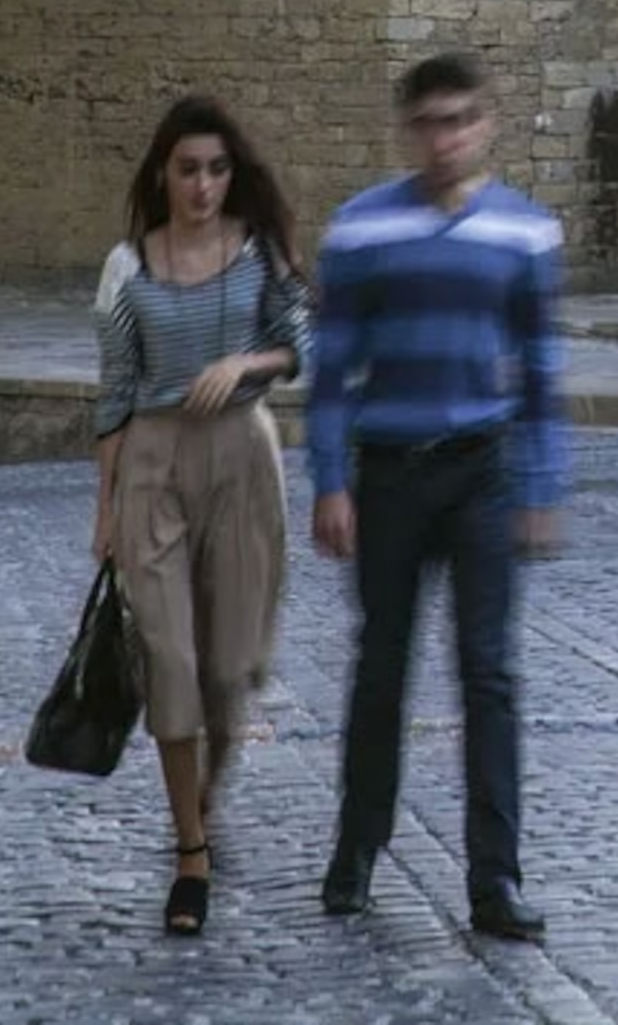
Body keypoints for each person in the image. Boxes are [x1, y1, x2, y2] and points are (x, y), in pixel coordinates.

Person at [306, 48, 567, 944]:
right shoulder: (361, 231)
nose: (446, 139)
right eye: (430, 123)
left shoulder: (525, 234)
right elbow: (332, 369)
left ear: (486, 123)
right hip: (389, 469)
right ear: (407, 130)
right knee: (383, 666)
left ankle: (495, 880)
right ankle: (357, 849)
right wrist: (329, 480)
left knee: (489, 674)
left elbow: (540, 367)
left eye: (461, 120)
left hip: (482, 469)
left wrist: (541, 484)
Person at [92, 93, 307, 937]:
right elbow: (112, 396)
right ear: (162, 173)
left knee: (230, 669)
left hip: (245, 461)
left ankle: (208, 796)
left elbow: (302, 342)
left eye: (218, 168)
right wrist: (103, 510)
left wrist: (247, 360)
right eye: (188, 169)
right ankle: (190, 853)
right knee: (171, 661)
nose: (205, 185)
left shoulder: (260, 253)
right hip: (152, 462)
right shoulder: (127, 267)